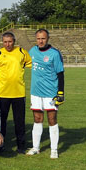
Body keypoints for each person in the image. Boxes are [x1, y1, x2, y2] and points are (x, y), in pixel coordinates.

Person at [0, 32, 32, 154]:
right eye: (5, 42)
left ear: (14, 41)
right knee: (1, 122)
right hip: (2, 94)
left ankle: (21, 147)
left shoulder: (22, 52)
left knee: (20, 122)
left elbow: (31, 64)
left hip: (19, 93)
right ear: (2, 42)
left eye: (10, 41)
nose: (8, 44)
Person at [26, 29, 65, 159]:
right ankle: (36, 147)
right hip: (36, 92)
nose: (40, 41)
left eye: (43, 38)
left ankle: (54, 150)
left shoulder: (54, 53)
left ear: (47, 39)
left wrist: (60, 93)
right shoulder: (32, 51)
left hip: (50, 93)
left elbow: (60, 73)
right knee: (37, 119)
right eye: (38, 38)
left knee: (52, 120)